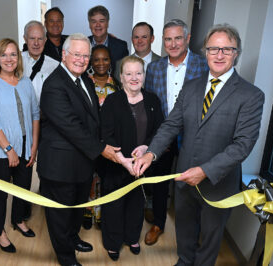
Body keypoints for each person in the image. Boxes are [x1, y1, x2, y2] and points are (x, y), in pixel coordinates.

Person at [134, 24, 264, 266]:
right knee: (184, 228)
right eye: (213, 49)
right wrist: (151, 153)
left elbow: (243, 145)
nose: (219, 55)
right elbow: (172, 124)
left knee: (211, 236)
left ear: (236, 53)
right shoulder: (192, 87)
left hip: (218, 184)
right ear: (205, 52)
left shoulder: (251, 95)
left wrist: (205, 171)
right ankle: (184, 260)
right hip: (184, 178)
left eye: (227, 49)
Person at [37, 33, 120, 266]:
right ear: (64, 55)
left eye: (86, 55)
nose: (82, 60)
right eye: (77, 54)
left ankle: (73, 239)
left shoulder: (84, 79)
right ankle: (65, 258)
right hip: (60, 166)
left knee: (76, 209)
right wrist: (101, 149)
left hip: (82, 163)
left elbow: (93, 120)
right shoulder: (54, 85)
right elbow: (71, 126)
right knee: (60, 215)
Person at [142, 19, 209, 246]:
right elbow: (150, 104)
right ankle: (159, 223)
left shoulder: (204, 65)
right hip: (165, 136)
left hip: (194, 137)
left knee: (194, 184)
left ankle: (194, 232)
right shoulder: (154, 68)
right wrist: (158, 137)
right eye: (168, 39)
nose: (173, 44)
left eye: (177, 38)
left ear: (187, 39)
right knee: (161, 183)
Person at [100, 55, 164, 261]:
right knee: (114, 205)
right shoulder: (112, 101)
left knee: (137, 203)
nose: (134, 78)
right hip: (116, 164)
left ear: (144, 75)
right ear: (121, 77)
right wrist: (122, 159)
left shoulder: (153, 100)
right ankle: (112, 242)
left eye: (138, 73)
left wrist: (147, 148)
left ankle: (132, 237)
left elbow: (160, 131)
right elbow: (105, 135)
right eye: (129, 73)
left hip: (142, 166)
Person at [0, 38, 40, 253]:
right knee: (0, 195)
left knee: (23, 188)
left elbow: (35, 114)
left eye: (13, 54)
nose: (9, 59)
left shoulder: (25, 82)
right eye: (4, 54)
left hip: (25, 146)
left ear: (19, 57)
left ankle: (18, 219)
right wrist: (8, 149)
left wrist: (34, 145)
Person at [82, 44, 119, 230]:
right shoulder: (84, 83)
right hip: (89, 140)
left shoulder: (118, 84)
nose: (101, 63)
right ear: (91, 62)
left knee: (105, 178)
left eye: (105, 59)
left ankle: (101, 213)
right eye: (96, 59)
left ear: (110, 61)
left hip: (110, 142)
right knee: (88, 177)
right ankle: (87, 211)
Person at [22, 20, 59, 103]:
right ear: (25, 39)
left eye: (40, 39)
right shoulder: (15, 61)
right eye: (32, 38)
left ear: (45, 40)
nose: (36, 43)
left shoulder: (55, 66)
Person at [87, 5, 129, 71]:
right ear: (89, 24)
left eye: (101, 21)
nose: (98, 25)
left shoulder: (121, 47)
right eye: (94, 21)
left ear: (107, 23)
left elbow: (123, 73)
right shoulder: (83, 44)